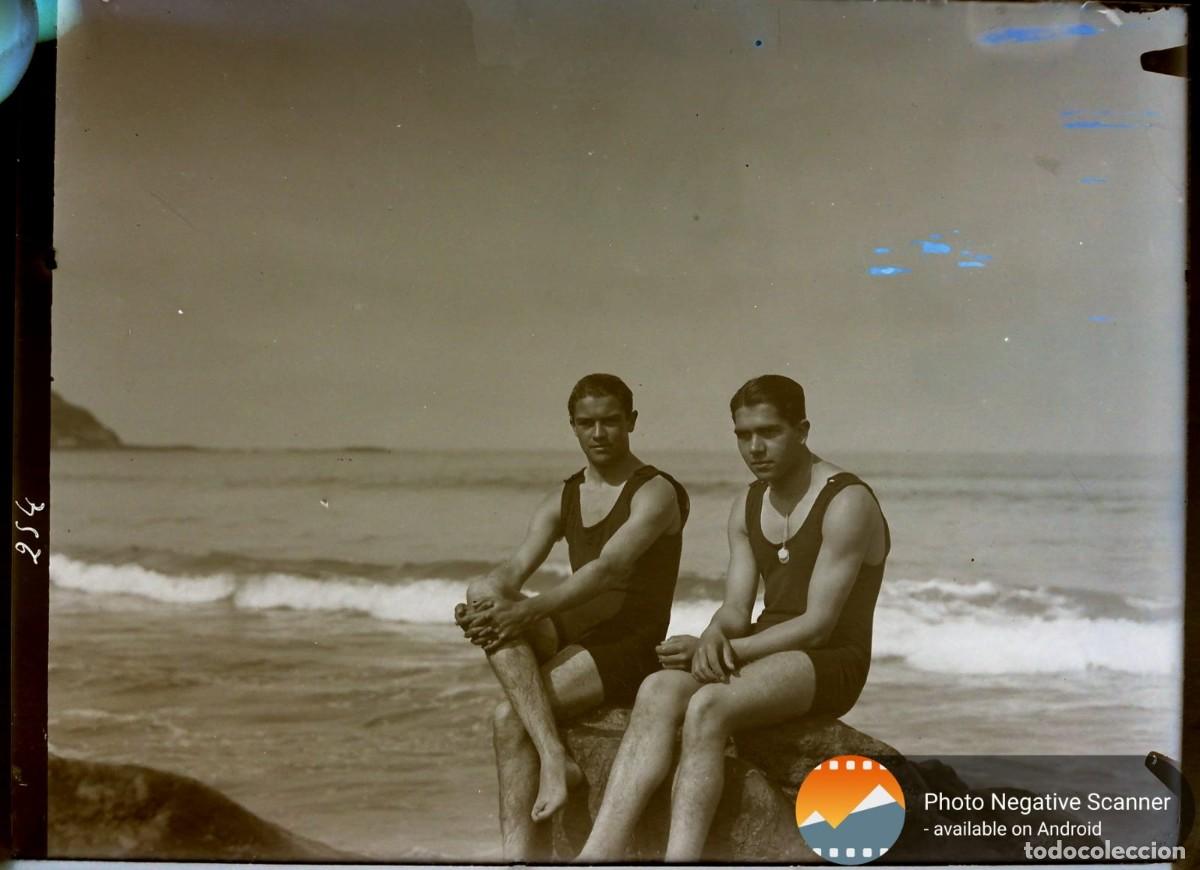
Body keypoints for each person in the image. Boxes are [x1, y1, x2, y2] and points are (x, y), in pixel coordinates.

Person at [576, 374, 889, 862]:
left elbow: (819, 624)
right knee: (657, 689)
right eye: (743, 435)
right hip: (768, 646)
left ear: (802, 430)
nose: (755, 447)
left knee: (707, 708)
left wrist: (722, 652)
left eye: (769, 432)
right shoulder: (747, 503)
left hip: (830, 659)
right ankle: (598, 854)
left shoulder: (847, 500)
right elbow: (736, 610)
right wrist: (710, 638)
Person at [454, 373, 690, 860]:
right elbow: (515, 569)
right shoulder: (564, 495)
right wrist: (489, 606)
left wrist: (524, 612)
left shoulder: (656, 491)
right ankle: (544, 785)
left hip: (630, 642)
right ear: (573, 427)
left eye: (610, 422)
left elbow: (609, 569)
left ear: (631, 423)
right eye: (587, 423)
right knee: (481, 589)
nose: (599, 433)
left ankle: (539, 802)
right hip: (579, 629)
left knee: (507, 718)